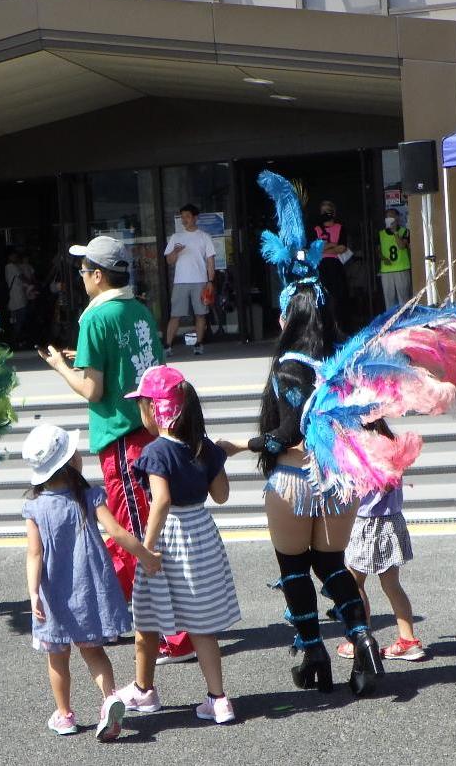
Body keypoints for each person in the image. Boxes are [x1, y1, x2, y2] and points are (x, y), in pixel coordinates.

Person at [218, 284, 384, 696]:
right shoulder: (346, 361)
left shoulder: (289, 366)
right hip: (340, 482)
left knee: (293, 569)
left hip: (295, 480)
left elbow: (286, 432)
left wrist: (241, 445)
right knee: (332, 566)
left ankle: (315, 656)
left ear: (286, 320)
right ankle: (363, 639)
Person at [37, 235, 195, 666]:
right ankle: (156, 625)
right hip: (149, 431)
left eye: (84, 271)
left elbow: (93, 388)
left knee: (133, 536)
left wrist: (61, 367)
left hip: (120, 437)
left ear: (99, 275)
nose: (81, 277)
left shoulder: (94, 319)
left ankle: (172, 634)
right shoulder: (140, 310)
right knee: (147, 531)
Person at [116, 366, 240, 725]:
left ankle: (144, 690)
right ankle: (218, 700)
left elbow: (161, 501)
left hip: (168, 539)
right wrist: (214, 460)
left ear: (157, 409)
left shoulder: (157, 451)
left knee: (146, 616)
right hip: (201, 533)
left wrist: (147, 550)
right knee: (201, 624)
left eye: (143, 406)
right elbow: (221, 495)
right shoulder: (204, 447)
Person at [20, 424, 159, 741]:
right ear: (69, 462)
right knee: (93, 653)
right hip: (89, 590)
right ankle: (110, 699)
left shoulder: (36, 507)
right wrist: (147, 555)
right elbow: (119, 533)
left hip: (53, 593)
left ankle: (65, 715)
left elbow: (34, 554)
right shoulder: (88, 496)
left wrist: (33, 595)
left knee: (57, 659)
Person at [339, 474, 425, 662]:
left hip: (367, 522)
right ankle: (408, 640)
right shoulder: (393, 449)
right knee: (392, 585)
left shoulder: (364, 450)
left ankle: (361, 641)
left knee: (354, 584)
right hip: (392, 520)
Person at [163, 204, 215, 356]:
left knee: (200, 314)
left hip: (200, 280)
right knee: (175, 315)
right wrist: (176, 251)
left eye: (187, 216)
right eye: (182, 217)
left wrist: (210, 281)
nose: (184, 220)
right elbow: (169, 261)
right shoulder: (176, 237)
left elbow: (210, 261)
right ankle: (167, 346)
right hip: (180, 281)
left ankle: (198, 344)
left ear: (195, 218)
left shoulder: (204, 237)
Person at [314, 201, 351, 326]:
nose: (325, 213)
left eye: (328, 210)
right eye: (323, 211)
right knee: (322, 296)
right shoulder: (316, 229)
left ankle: (340, 325)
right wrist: (332, 245)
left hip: (335, 265)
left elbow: (343, 248)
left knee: (338, 296)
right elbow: (314, 249)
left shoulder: (340, 228)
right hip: (321, 265)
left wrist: (324, 247)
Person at [377, 209, 412, 309]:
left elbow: (401, 246)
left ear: (397, 218)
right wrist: (383, 259)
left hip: (401, 268)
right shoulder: (381, 234)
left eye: (392, 216)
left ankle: (405, 320)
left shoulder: (404, 231)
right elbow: (378, 251)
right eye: (387, 217)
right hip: (386, 271)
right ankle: (391, 321)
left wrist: (395, 232)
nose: (389, 219)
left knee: (404, 299)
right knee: (389, 300)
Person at [5, 250, 35, 348]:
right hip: (18, 300)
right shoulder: (11, 267)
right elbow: (22, 277)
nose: (15, 258)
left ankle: (16, 341)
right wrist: (31, 282)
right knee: (19, 321)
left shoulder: (10, 267)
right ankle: (15, 341)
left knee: (17, 321)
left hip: (16, 299)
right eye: (14, 256)